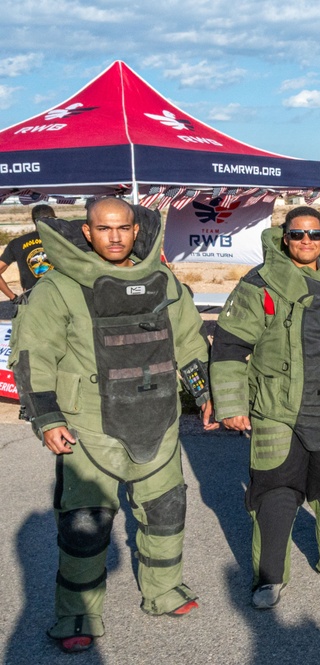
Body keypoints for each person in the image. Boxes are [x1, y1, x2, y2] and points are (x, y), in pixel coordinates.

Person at [8, 198, 215, 653]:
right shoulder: (58, 288)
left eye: (123, 228)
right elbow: (32, 356)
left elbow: (188, 340)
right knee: (86, 523)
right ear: (87, 232)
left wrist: (205, 393)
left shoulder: (163, 282)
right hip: (88, 428)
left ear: (135, 229)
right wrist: (46, 419)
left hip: (157, 421)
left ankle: (163, 590)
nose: (116, 237)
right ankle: (77, 612)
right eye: (104, 229)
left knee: (166, 511)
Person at [210, 206, 320, 609]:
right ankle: (269, 579)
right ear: (284, 237)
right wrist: (232, 404)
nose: (305, 241)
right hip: (278, 410)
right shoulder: (261, 284)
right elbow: (229, 347)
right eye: (297, 234)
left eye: (313, 233)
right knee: (276, 490)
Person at [0, 203, 54, 302]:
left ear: (33, 220)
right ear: (54, 218)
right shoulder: (65, 240)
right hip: (62, 298)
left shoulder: (17, 243)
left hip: (32, 300)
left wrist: (13, 297)